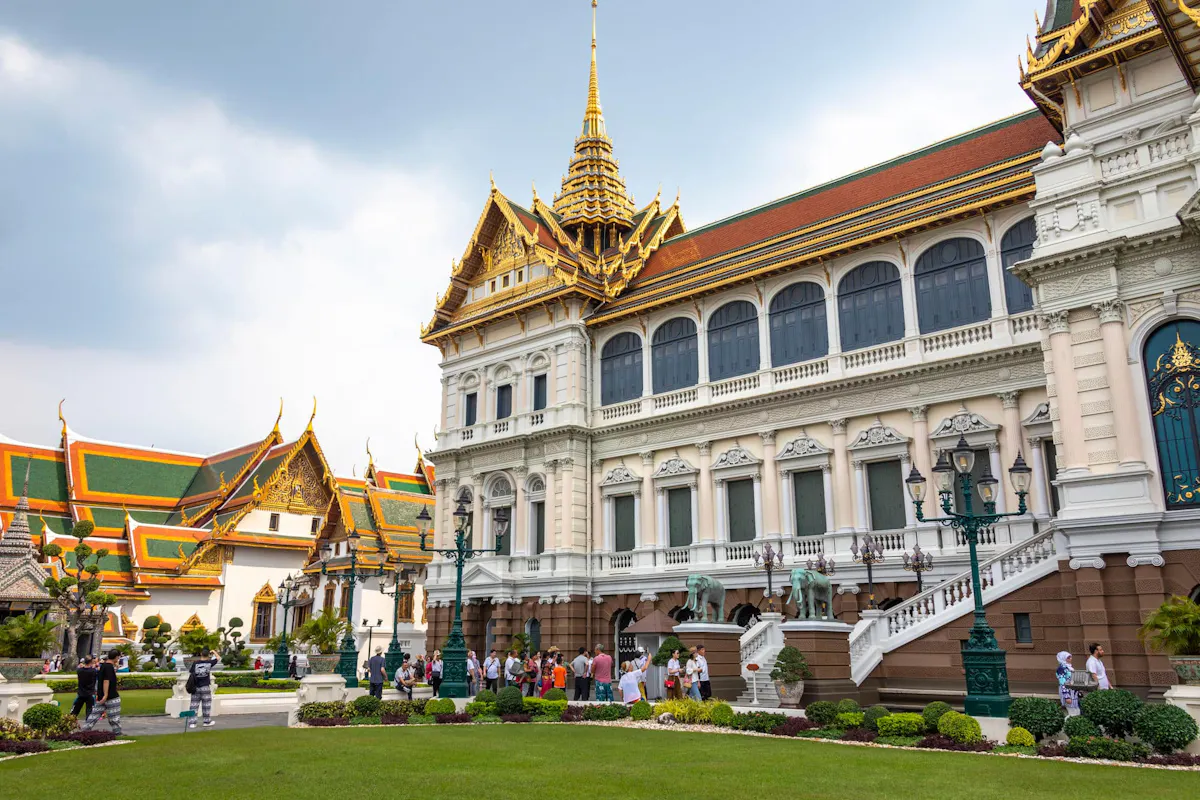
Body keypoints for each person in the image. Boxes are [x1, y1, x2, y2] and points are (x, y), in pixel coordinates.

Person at [81, 649, 122, 735]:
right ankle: (117, 732)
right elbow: (106, 681)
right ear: (116, 657)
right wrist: (106, 695)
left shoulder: (103, 666)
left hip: (101, 696)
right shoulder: (109, 667)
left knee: (94, 715)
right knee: (114, 717)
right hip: (110, 696)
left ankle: (85, 730)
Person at [186, 646, 219, 729]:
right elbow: (218, 658)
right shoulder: (209, 663)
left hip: (196, 687)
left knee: (194, 705)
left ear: (201, 654)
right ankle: (206, 721)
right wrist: (214, 651)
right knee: (206, 705)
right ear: (208, 655)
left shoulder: (195, 663)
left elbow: (191, 673)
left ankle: (192, 723)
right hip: (205, 687)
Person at [1056, 651, 1081, 716]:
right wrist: (1066, 696)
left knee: (1077, 711)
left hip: (1073, 692)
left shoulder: (1069, 667)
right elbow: (1062, 683)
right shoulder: (1061, 669)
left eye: (1070, 657)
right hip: (1068, 692)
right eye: (1068, 658)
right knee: (1072, 712)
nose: (1070, 659)